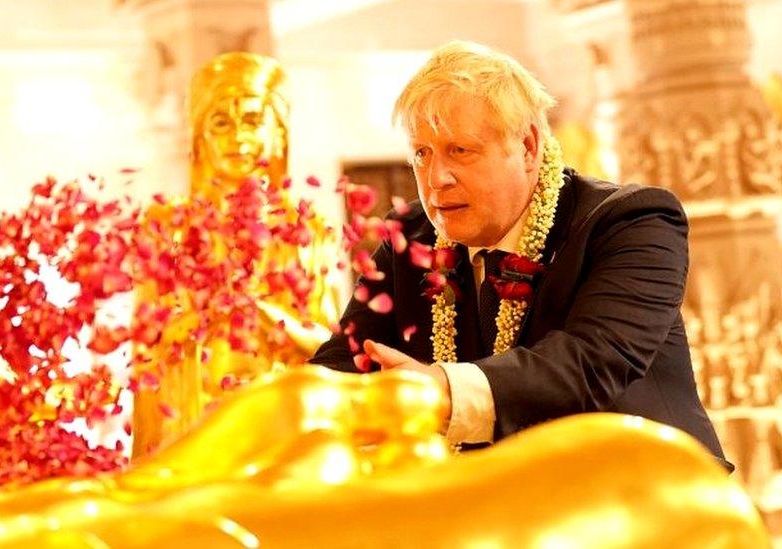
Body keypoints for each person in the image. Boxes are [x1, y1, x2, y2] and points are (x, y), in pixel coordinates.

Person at [310, 40, 730, 470]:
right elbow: (347, 361)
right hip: (491, 505)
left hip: (645, 495)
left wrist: (441, 392)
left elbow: (590, 362)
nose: (436, 178)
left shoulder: (631, 221)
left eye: (460, 150)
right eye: (422, 153)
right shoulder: (410, 236)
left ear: (528, 146)